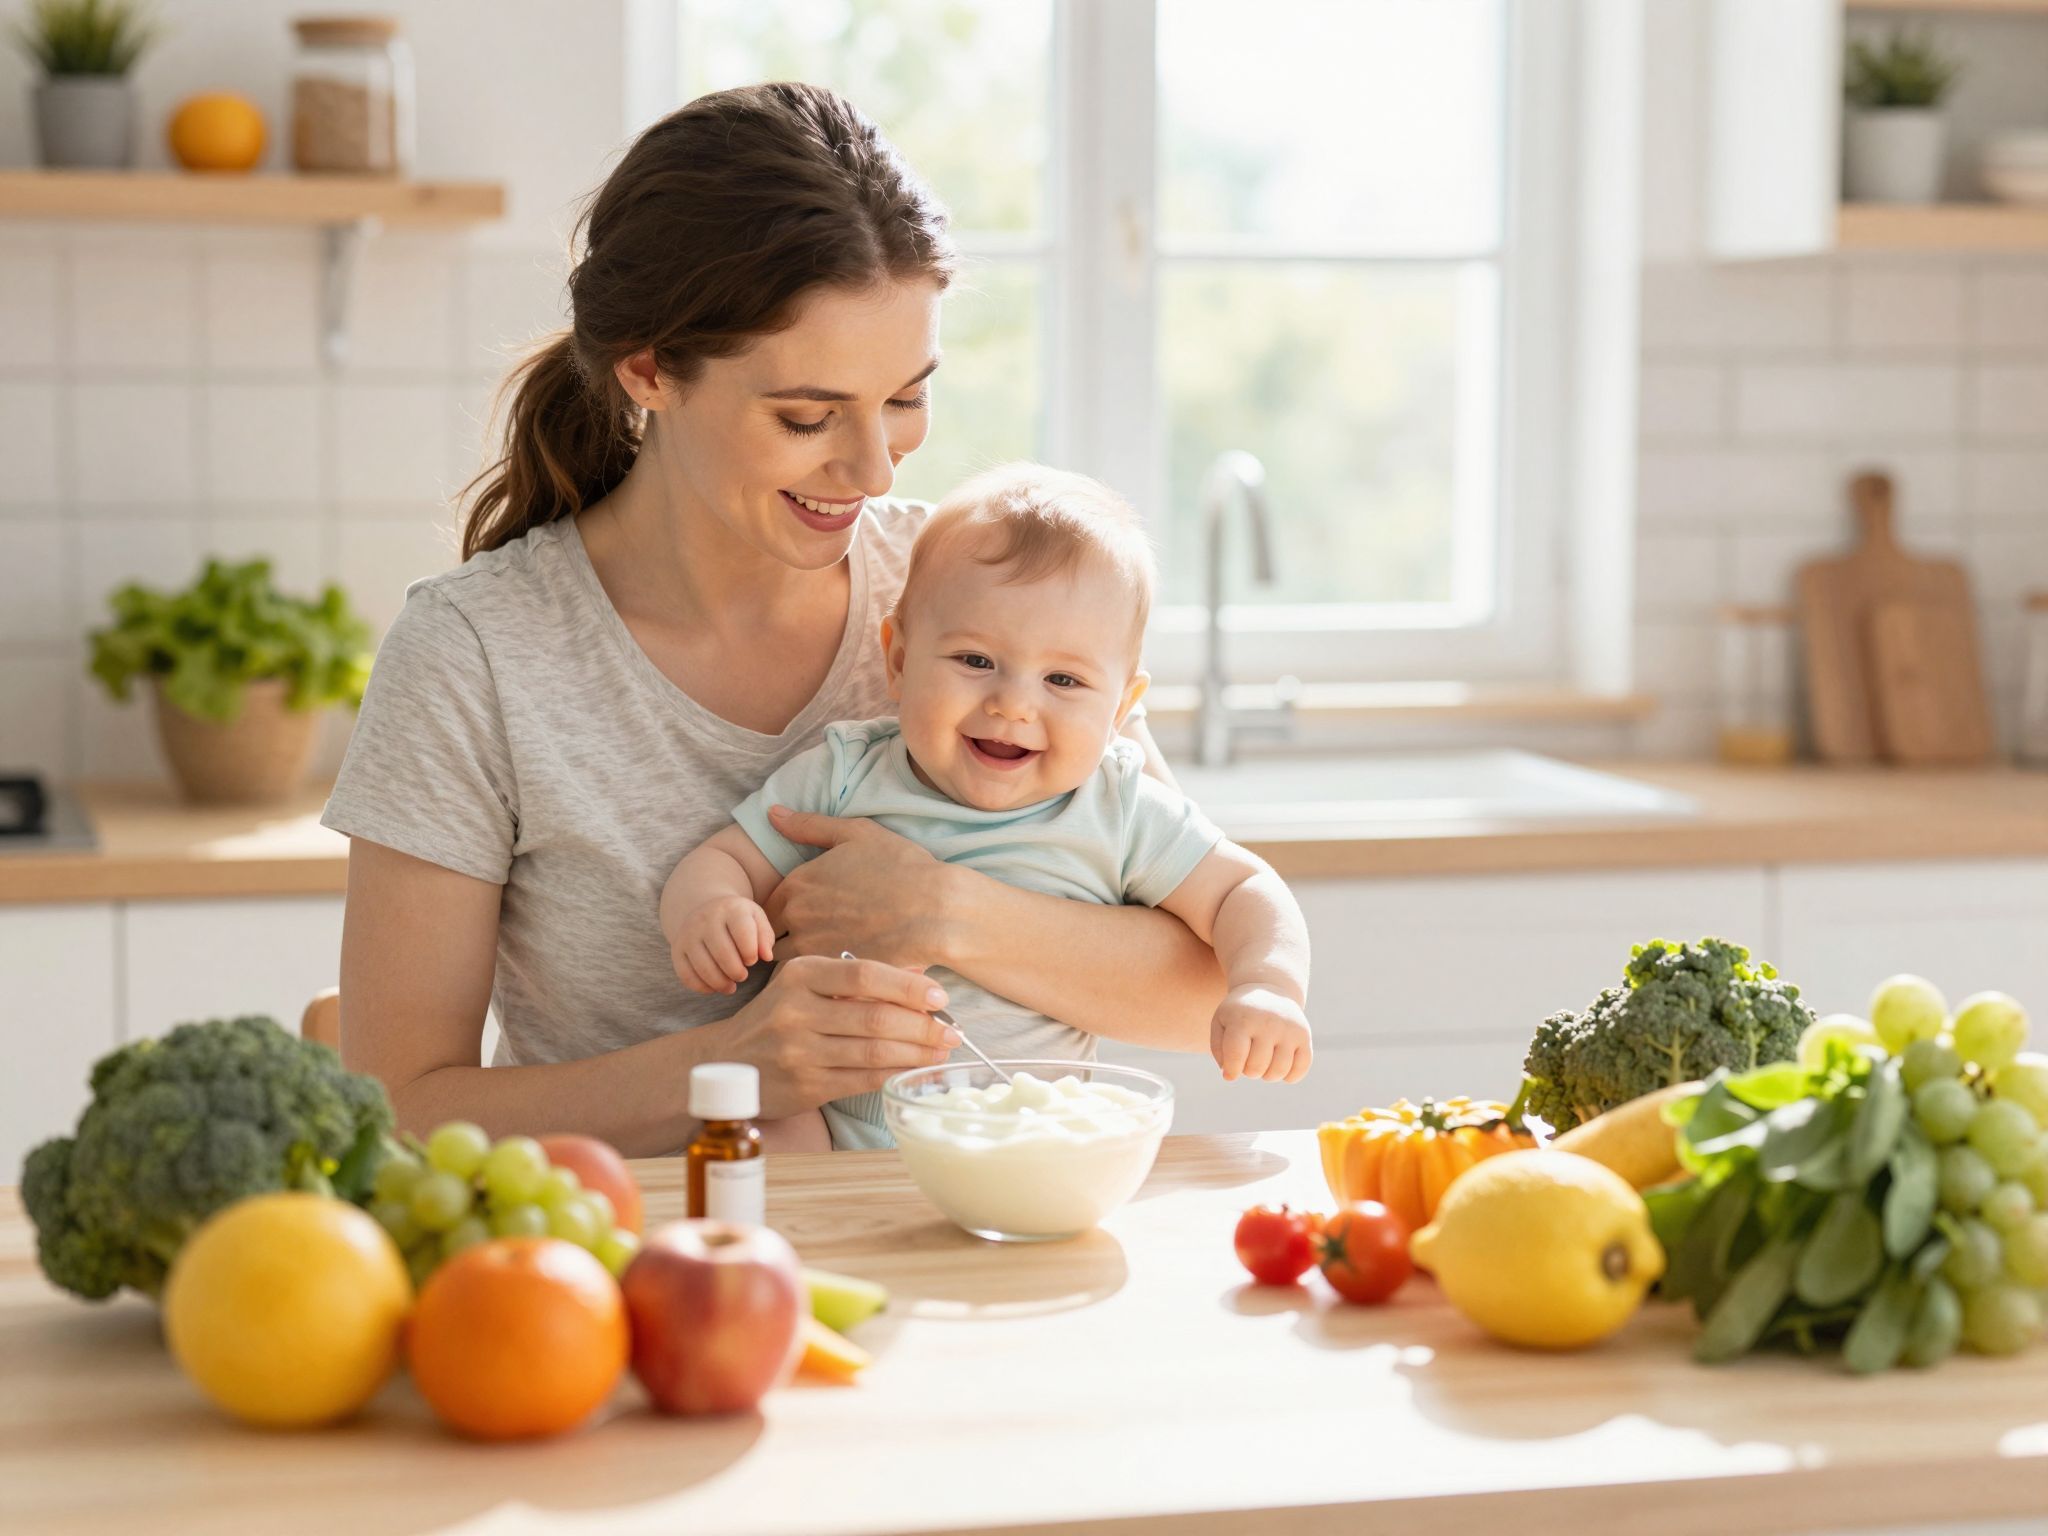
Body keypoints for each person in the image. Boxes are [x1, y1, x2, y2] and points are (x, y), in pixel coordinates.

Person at [323, 83, 1227, 1155]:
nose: (875, 468)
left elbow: (1208, 995)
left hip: (975, 1226)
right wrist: (734, 1070)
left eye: (905, 398)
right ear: (649, 370)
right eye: (807, 417)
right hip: (638, 1242)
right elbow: (398, 1111)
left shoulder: (971, 596)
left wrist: (946, 912)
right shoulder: (477, 654)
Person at [661, 464, 1314, 1150]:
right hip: (833, 1119)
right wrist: (710, 909)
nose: (1013, 704)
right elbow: (725, 858)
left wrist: (1267, 986)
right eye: (975, 661)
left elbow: (1243, 888)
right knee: (759, 1142)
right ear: (899, 660)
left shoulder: (1119, 806)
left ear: (1121, 707)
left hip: (1029, 1128)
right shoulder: (848, 771)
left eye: (1063, 679)